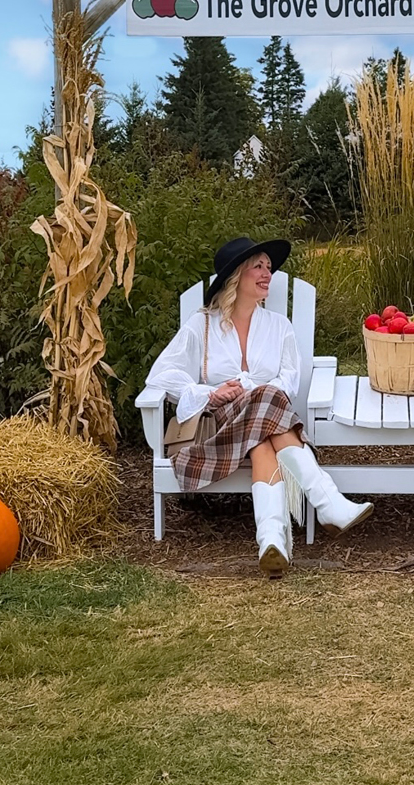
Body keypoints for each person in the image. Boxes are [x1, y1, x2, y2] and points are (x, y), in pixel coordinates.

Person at [145, 236, 372, 578]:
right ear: (237, 275)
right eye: (259, 266)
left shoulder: (279, 327)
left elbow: (289, 383)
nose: (268, 273)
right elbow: (162, 375)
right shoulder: (201, 325)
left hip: (263, 426)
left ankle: (271, 540)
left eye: (269, 267)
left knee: (264, 435)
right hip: (220, 429)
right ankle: (327, 502)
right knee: (266, 403)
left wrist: (253, 389)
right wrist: (209, 393)